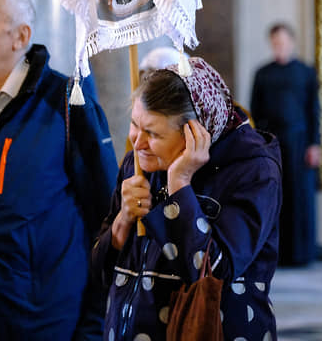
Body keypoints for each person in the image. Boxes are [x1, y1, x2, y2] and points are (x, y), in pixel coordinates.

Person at [0, 0, 119, 340]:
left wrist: (92, 330)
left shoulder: (66, 103)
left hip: (49, 326)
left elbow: (107, 220)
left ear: (20, 37)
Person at [91, 58, 282, 340]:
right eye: (134, 124)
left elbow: (215, 274)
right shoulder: (138, 164)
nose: (137, 142)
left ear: (196, 133)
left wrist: (179, 185)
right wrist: (123, 220)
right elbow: (100, 272)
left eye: (153, 133)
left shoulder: (253, 170)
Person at [251, 23, 320, 266]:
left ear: (292, 42)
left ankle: (303, 254)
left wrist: (314, 144)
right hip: (272, 142)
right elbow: (255, 113)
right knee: (274, 197)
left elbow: (314, 111)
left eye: (283, 42)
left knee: (300, 198)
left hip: (300, 143)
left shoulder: (306, 72)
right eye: (275, 42)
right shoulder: (263, 74)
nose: (279, 46)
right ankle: (276, 253)